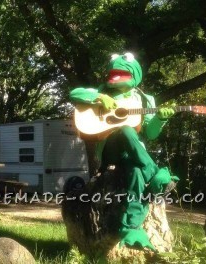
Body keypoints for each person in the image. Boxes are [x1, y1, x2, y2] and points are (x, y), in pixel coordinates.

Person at [70, 52, 178, 250]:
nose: (114, 72)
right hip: (110, 151)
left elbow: (151, 134)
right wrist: (100, 97)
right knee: (126, 129)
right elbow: (75, 93)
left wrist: (160, 119)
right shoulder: (102, 91)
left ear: (135, 74)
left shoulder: (145, 100)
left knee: (137, 173)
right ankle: (154, 173)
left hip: (134, 155)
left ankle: (131, 228)